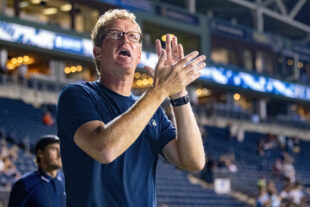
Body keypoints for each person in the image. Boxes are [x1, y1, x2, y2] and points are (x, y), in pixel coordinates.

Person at [57, 9, 206, 207]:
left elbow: (193, 161)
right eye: (116, 34)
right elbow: (104, 149)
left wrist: (178, 93)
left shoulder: (154, 112)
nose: (125, 40)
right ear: (97, 51)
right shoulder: (77, 94)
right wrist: (160, 90)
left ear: (138, 56)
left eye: (133, 37)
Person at [8, 135, 65, 207]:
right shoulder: (24, 185)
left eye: (61, 149)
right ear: (40, 153)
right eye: (54, 149)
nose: (60, 154)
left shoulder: (66, 181)